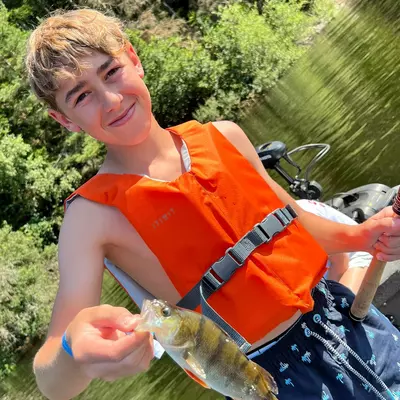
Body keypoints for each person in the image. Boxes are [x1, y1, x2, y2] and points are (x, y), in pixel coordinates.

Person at [25, 9, 400, 400]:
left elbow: (297, 223)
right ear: (64, 119)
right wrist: (73, 351)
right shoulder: (90, 219)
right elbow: (52, 382)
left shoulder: (225, 136)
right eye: (82, 96)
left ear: (133, 58)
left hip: (352, 322)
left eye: (111, 71)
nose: (112, 99)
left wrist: (362, 235)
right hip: (265, 379)